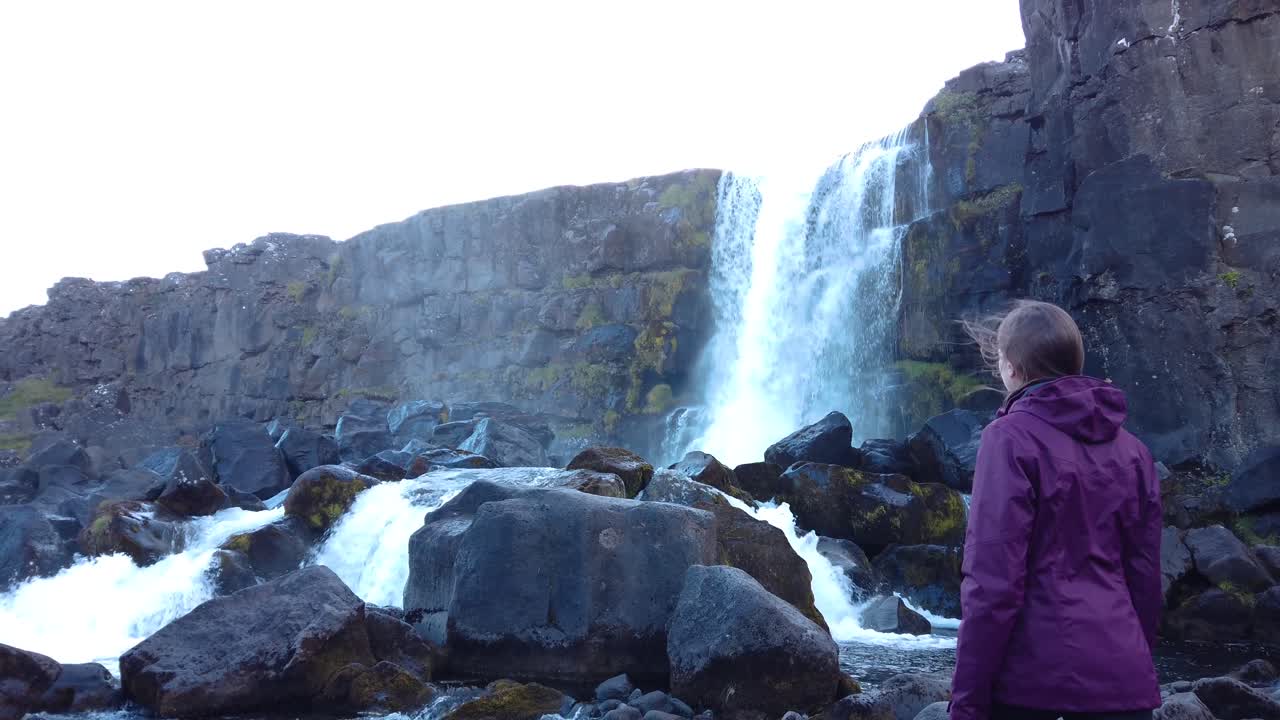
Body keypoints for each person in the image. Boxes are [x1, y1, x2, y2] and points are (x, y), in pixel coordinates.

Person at [949, 300, 1163, 720]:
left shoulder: (1009, 439)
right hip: (1125, 685)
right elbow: (1145, 581)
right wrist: (1131, 663)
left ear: (1010, 367)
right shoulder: (1135, 452)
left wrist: (967, 703)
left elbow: (993, 583)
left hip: (1038, 690)